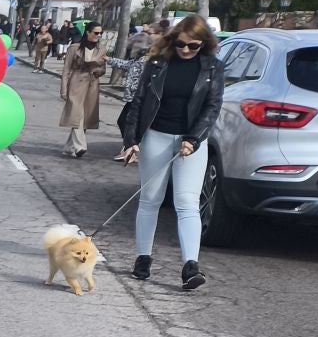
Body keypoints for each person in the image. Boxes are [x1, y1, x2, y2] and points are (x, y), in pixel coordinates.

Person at [119, 15, 222, 291]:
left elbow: (212, 107)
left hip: (191, 142)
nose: (186, 50)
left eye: (194, 46)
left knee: (187, 202)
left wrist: (194, 138)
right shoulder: (157, 64)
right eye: (181, 44)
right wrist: (131, 140)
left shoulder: (212, 67)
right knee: (150, 199)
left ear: (205, 44)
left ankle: (191, 266)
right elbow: (138, 102)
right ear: (172, 40)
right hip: (156, 135)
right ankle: (143, 258)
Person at [57, 22, 107, 157]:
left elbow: (103, 69)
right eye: (96, 33)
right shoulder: (74, 48)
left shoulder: (101, 49)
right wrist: (63, 89)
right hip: (76, 82)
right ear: (88, 32)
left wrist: (98, 71)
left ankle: (69, 147)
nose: (99, 35)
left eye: (101, 33)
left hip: (92, 84)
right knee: (76, 113)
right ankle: (80, 146)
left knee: (85, 117)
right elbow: (66, 69)